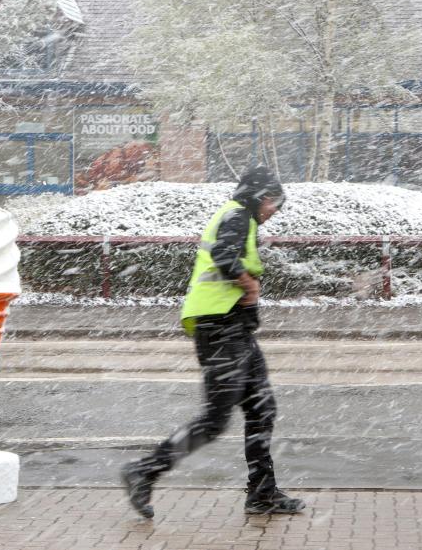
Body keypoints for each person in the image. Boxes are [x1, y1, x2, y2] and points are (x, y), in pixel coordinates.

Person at [121, 166, 306, 518]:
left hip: (234, 329)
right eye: (273, 201)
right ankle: (143, 471)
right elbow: (224, 258)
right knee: (216, 419)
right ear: (258, 197)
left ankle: (262, 493)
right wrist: (250, 285)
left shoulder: (241, 219)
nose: (274, 209)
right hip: (220, 328)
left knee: (261, 409)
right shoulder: (237, 216)